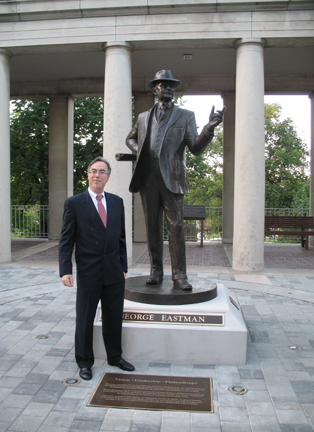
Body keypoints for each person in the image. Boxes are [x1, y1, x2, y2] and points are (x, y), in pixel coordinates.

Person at [126, 70, 225, 291]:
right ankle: (156, 271)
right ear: (155, 89)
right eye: (164, 85)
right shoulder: (143, 117)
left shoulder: (186, 115)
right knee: (152, 227)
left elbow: (196, 148)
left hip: (173, 179)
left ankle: (179, 274)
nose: (168, 88)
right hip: (147, 179)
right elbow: (130, 138)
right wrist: (140, 149)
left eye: (172, 85)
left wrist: (209, 128)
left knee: (176, 227)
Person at [59, 156, 135, 381]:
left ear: (108, 177)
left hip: (113, 272)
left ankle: (115, 356)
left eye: (102, 172)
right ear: (88, 174)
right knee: (85, 319)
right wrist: (65, 270)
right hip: (89, 272)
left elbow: (121, 237)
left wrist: (123, 266)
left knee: (114, 317)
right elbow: (66, 241)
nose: (97, 175)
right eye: (93, 171)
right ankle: (84, 361)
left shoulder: (116, 201)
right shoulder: (74, 203)